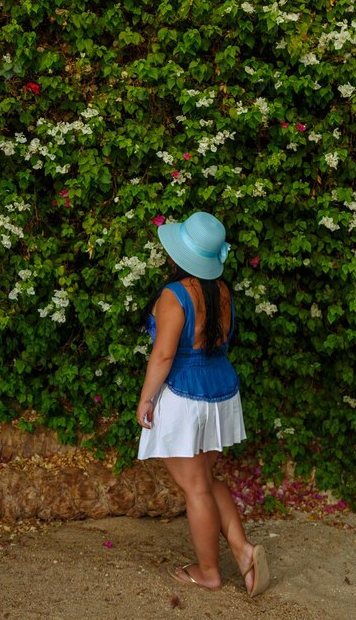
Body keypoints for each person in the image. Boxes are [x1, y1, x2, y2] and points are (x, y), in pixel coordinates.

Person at [136, 211, 270, 596]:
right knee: (205, 481)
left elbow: (163, 356)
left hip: (185, 392)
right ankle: (243, 552)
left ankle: (209, 571)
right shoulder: (223, 291)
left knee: (195, 487)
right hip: (221, 390)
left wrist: (146, 399)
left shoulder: (174, 295)